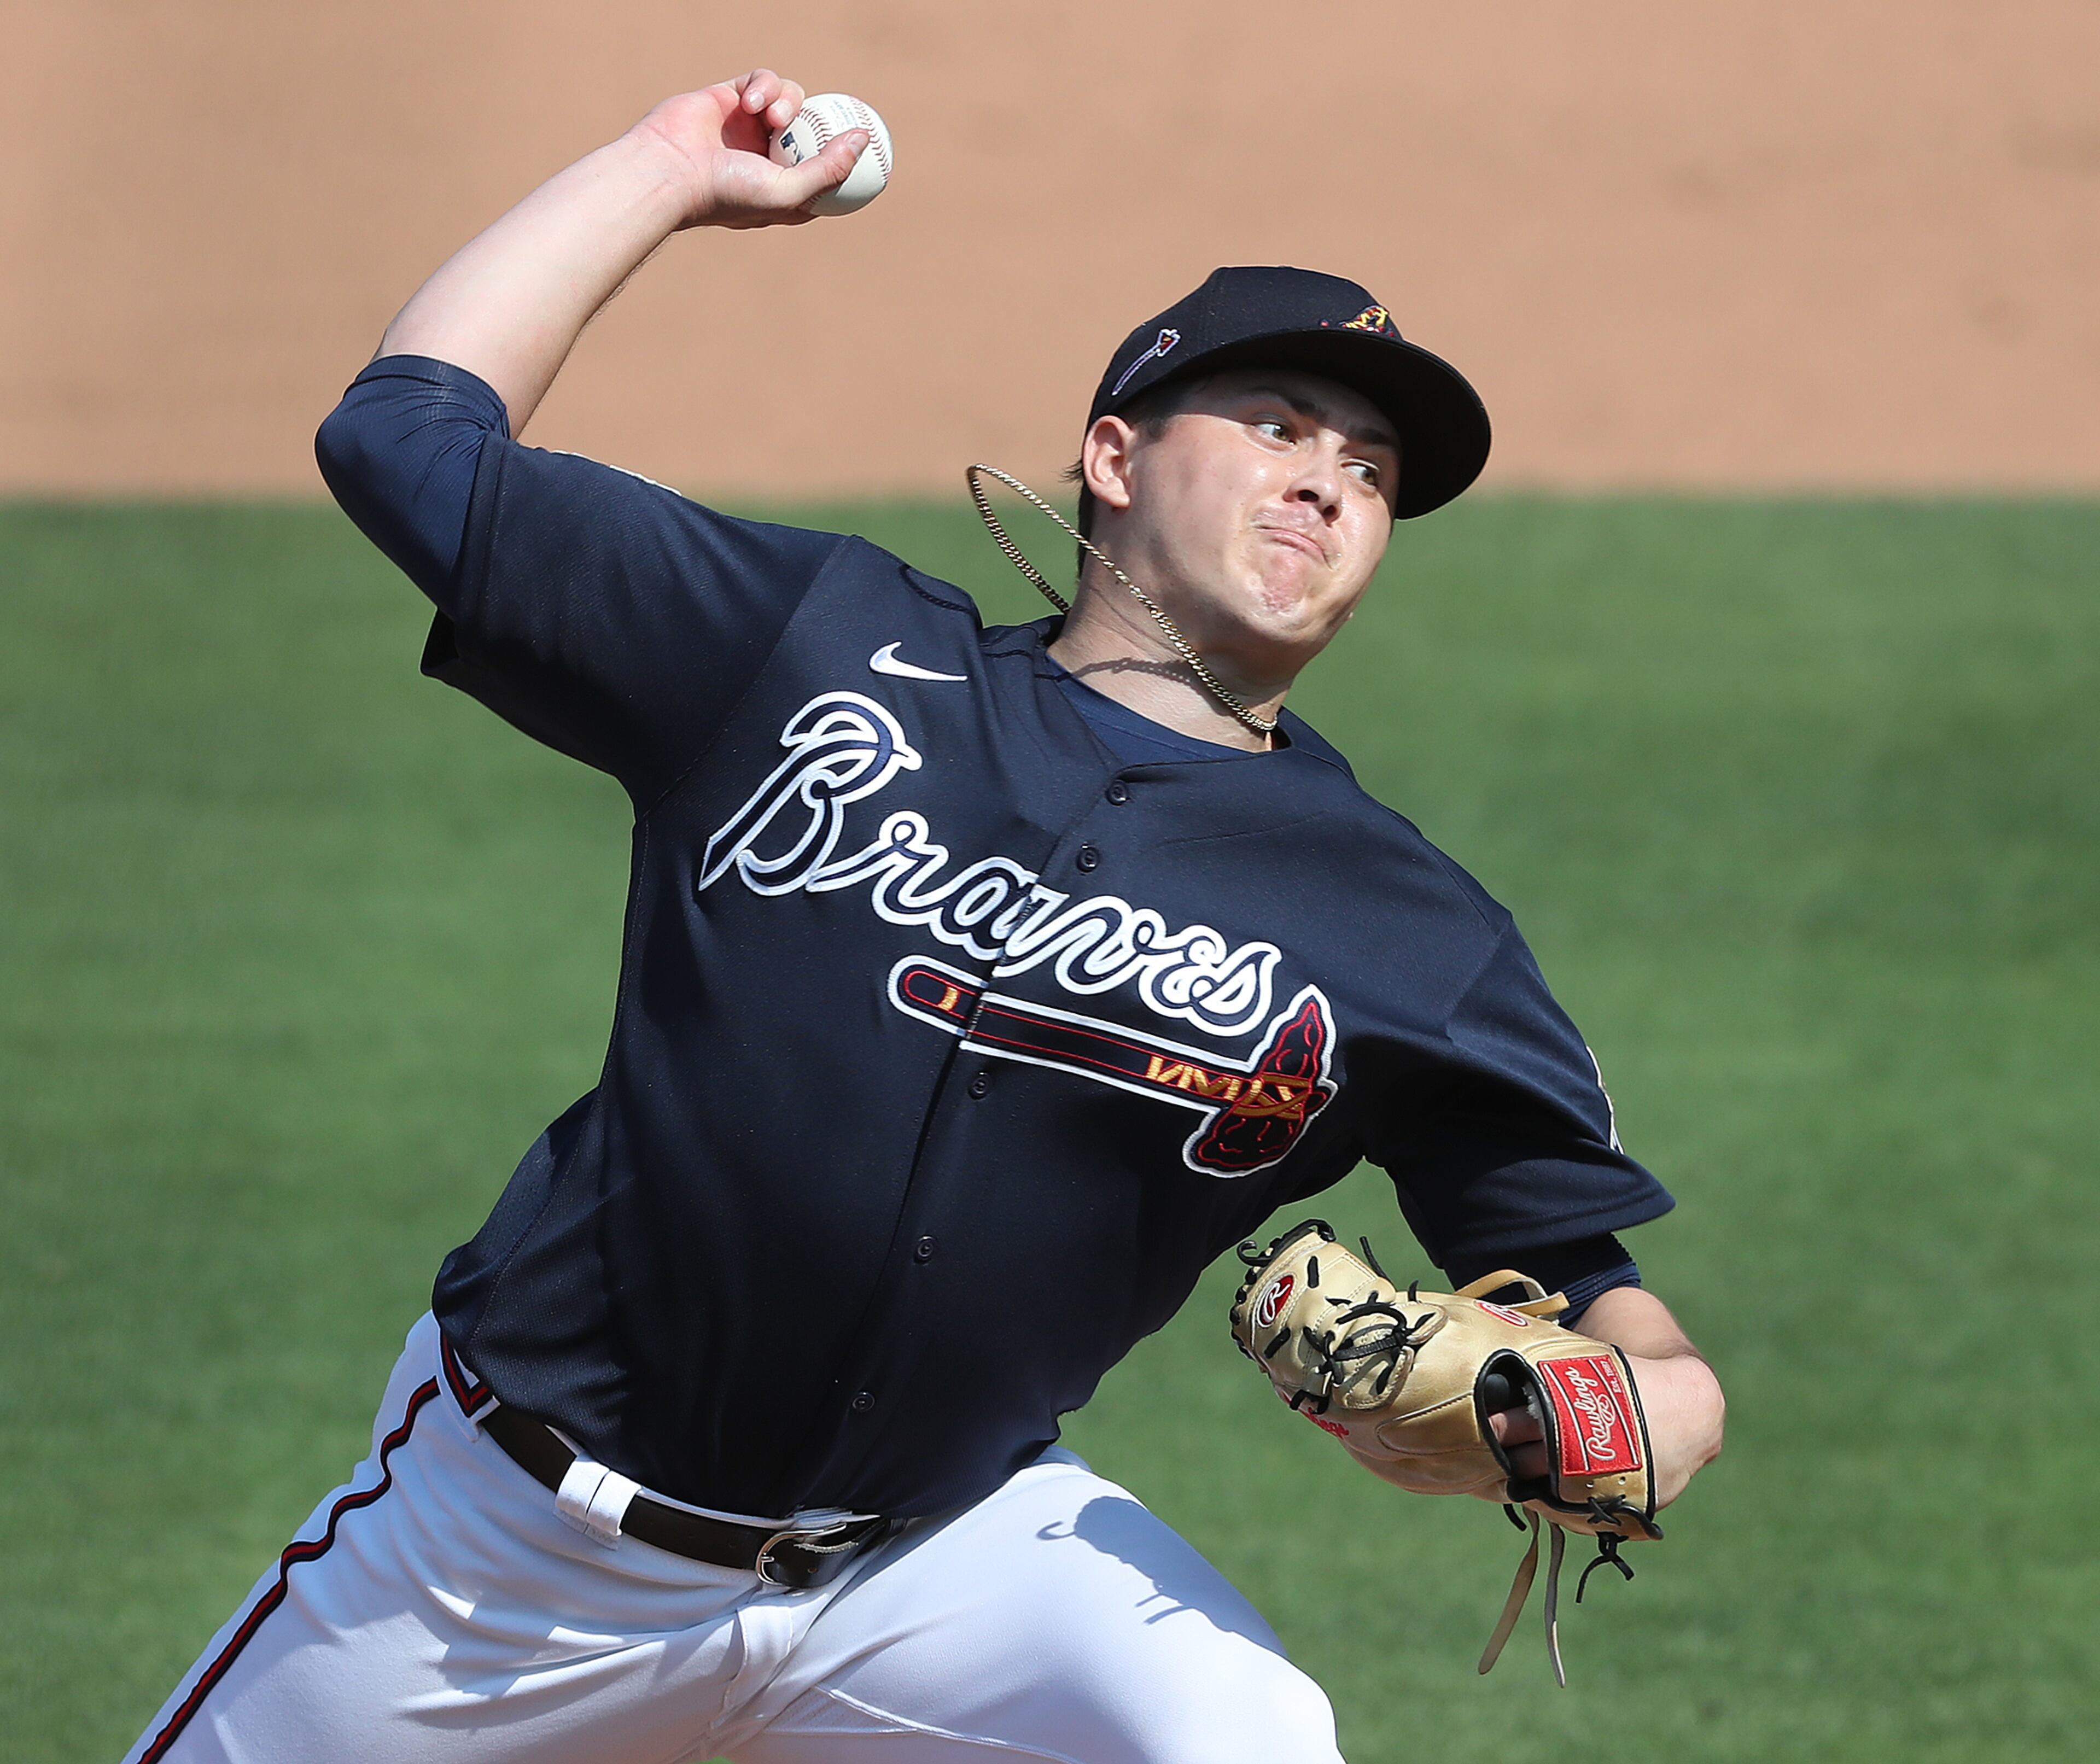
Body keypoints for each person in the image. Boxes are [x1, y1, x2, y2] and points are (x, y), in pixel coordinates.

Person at [125, 68, 1724, 1764]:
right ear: (1112, 454)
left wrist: (1648, 1412)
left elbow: (1607, 1296)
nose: (1331, 486)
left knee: (1243, 1734)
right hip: (504, 1565)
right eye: (1278, 426)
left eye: (1375, 471)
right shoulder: (812, 650)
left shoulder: (1407, 924)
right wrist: (661, 173)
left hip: (931, 1566)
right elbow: (404, 436)